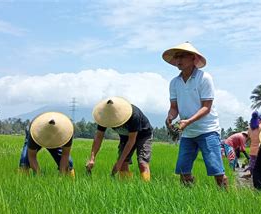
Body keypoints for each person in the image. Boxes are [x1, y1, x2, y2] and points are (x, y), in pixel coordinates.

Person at [163, 41, 228, 188]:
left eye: (182, 56)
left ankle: (225, 199)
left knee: (216, 170)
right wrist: (170, 117)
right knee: (183, 170)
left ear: (193, 58)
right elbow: (174, 107)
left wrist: (187, 121)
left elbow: (206, 107)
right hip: (188, 133)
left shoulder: (204, 78)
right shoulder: (175, 83)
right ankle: (189, 197)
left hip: (207, 130)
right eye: (177, 57)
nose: (178, 60)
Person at [86, 97, 153, 181]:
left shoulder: (134, 115)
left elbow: (131, 141)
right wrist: (92, 158)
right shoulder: (104, 117)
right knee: (123, 165)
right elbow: (99, 137)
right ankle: (127, 187)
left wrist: (119, 162)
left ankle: (145, 186)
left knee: (142, 163)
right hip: (125, 136)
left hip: (143, 135)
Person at [19, 112, 75, 176]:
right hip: (38, 135)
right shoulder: (34, 133)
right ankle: (23, 178)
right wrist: (38, 174)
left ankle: (69, 180)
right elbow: (32, 157)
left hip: (56, 138)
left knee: (69, 163)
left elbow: (65, 155)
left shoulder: (67, 132)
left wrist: (62, 175)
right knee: (24, 161)